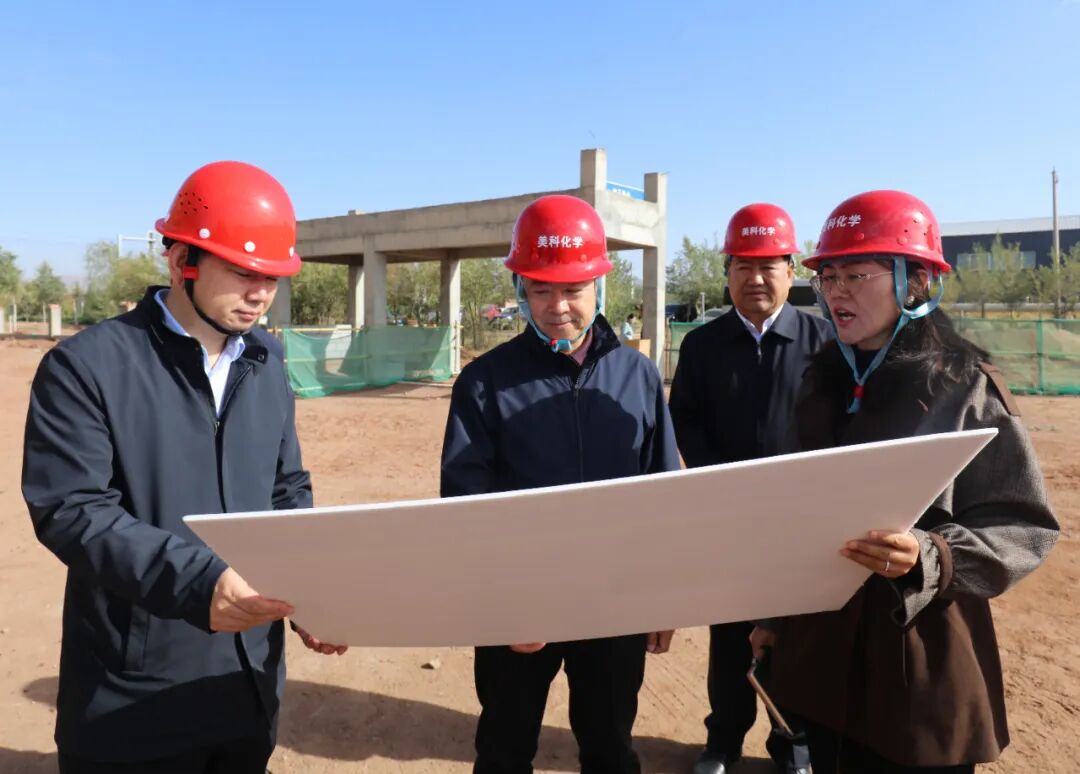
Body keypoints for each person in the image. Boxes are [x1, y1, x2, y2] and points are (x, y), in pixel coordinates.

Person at [22, 160, 334, 773]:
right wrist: (198, 584)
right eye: (243, 272)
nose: (261, 294)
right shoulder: (87, 366)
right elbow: (72, 509)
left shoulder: (266, 362)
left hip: (247, 684)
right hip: (134, 696)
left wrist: (317, 593)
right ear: (181, 260)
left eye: (272, 277)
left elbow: (285, 488)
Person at [750, 189, 1060, 773]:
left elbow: (1022, 523)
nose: (836, 291)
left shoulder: (963, 386)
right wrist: (773, 615)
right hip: (820, 654)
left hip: (918, 659)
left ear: (915, 282)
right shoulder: (820, 383)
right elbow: (790, 511)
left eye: (856, 275)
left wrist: (930, 554)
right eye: (829, 276)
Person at [441, 194, 681, 774]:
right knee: (503, 747)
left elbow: (665, 493)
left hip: (614, 603)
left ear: (599, 284)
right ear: (521, 287)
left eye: (573, 289)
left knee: (610, 746)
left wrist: (662, 596)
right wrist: (509, 603)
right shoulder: (483, 383)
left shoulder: (637, 375)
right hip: (520, 606)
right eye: (541, 290)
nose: (558, 307)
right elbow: (465, 505)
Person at [669, 202, 828, 774]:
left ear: (791, 269)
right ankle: (723, 741)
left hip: (802, 521)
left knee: (798, 635)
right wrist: (727, 485)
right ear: (728, 272)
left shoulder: (824, 340)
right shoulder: (702, 346)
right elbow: (684, 421)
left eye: (768, 266)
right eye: (743, 266)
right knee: (731, 635)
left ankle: (794, 744)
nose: (756, 278)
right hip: (730, 519)